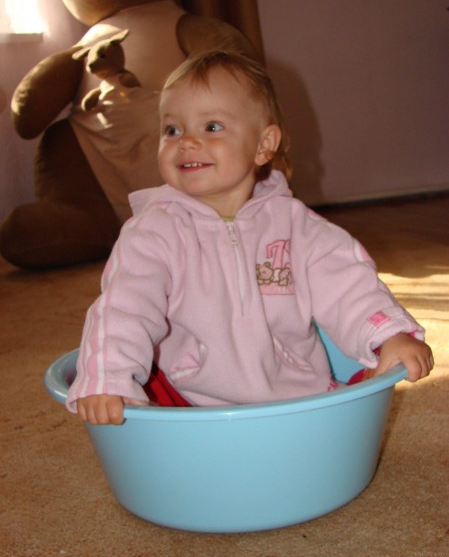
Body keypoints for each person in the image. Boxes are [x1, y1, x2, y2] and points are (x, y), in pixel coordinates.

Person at [66, 51, 433, 425]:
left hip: (295, 388)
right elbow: (124, 307)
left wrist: (390, 335)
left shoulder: (296, 226)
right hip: (187, 400)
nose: (187, 142)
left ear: (263, 145)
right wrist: (108, 377)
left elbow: (348, 286)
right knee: (135, 393)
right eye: (172, 130)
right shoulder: (153, 231)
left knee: (365, 385)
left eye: (211, 127)